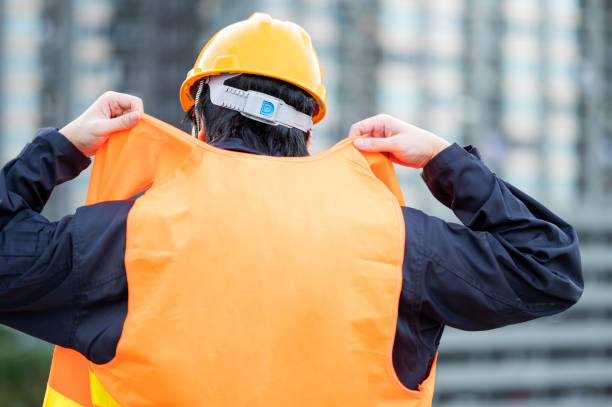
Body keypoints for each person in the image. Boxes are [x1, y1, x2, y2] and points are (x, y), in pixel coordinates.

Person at [0, 13, 581, 407]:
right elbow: (549, 267)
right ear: (306, 130)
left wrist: (63, 147)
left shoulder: (129, 237)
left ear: (199, 118)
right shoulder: (393, 242)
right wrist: (440, 159)